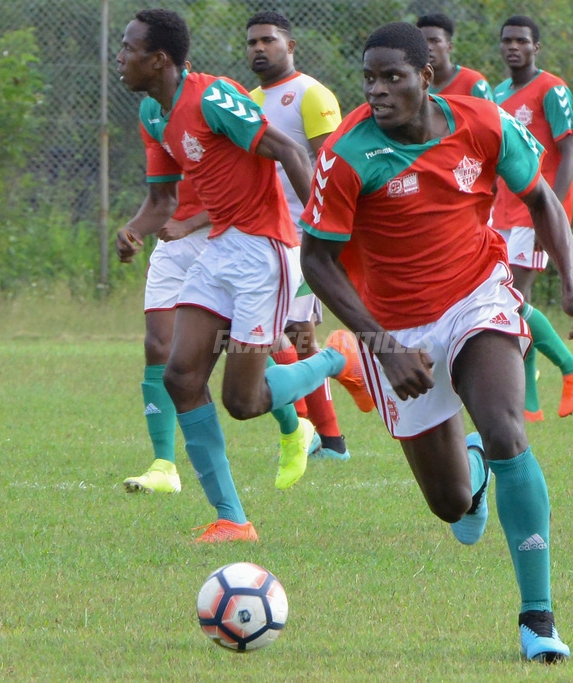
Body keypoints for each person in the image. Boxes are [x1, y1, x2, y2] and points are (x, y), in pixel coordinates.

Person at [300, 22, 573, 662]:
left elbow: (542, 198)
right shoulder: (348, 154)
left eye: (392, 77)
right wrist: (380, 344)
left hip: (476, 293)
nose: (378, 90)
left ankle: (538, 620)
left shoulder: (483, 122)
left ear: (426, 76)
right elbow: (317, 261)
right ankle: (475, 478)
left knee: (505, 427)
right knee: (450, 505)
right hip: (395, 327)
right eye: (369, 78)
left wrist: (571, 282)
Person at [114, 8, 359, 543]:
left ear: (158, 60)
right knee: (181, 377)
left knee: (243, 403)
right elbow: (163, 200)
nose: (121, 57)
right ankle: (233, 520)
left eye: (129, 48)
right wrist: (135, 229)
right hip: (221, 250)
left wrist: (319, 236)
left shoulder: (212, 96)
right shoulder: (157, 114)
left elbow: (290, 150)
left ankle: (338, 358)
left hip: (262, 254)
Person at [245, 10, 365, 461]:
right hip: (260, 237)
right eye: (252, 42)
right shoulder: (248, 99)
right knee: (289, 336)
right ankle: (325, 438)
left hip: (302, 238)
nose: (259, 48)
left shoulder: (311, 95)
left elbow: (335, 165)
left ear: (290, 46)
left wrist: (331, 233)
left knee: (291, 334)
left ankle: (318, 435)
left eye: (268, 41)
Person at [491, 15, 573, 422]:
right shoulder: (497, 93)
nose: (513, 47)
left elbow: (569, 153)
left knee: (511, 296)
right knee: (514, 300)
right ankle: (530, 403)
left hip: (533, 213)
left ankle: (572, 368)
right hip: (500, 212)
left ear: (536, 48)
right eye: (507, 41)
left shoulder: (552, 88)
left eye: (522, 41)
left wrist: (552, 217)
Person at [122, 178, 209, 494]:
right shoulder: (155, 127)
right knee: (158, 346)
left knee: (242, 348)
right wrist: (135, 229)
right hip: (173, 242)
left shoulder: (227, 126)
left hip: (227, 238)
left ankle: (295, 427)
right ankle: (164, 467)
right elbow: (161, 195)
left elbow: (246, 192)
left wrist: (188, 225)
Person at [416, 13, 494, 101]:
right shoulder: (415, 85)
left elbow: (491, 114)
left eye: (435, 41)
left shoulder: (473, 83)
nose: (428, 47)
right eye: (423, 41)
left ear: (450, 46)